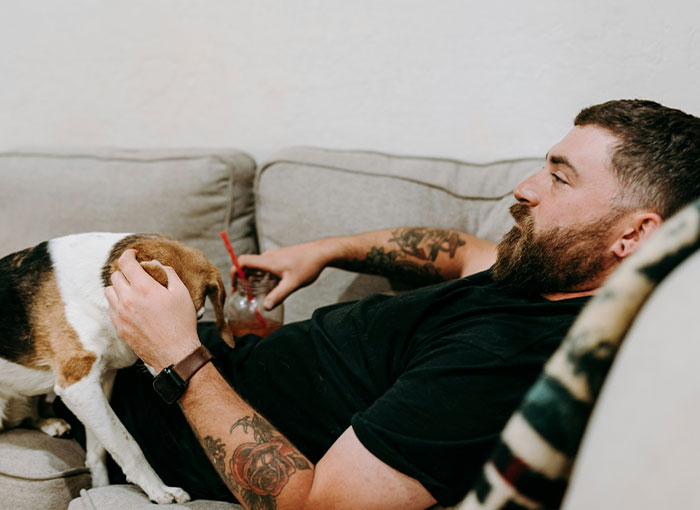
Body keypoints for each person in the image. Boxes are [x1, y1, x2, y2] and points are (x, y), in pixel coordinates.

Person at [104, 99, 700, 510]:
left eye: (560, 178)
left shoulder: (504, 362)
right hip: (196, 364)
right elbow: (463, 252)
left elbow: (322, 504)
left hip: (155, 411)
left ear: (633, 235)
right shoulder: (551, 271)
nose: (525, 188)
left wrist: (177, 355)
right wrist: (324, 251)